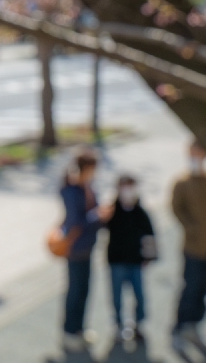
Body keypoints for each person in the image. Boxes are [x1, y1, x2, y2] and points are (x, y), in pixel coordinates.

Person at [171, 140, 206, 357]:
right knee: (190, 287)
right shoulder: (183, 183)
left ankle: (194, 326)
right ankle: (179, 328)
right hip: (193, 247)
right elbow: (177, 209)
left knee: (205, 288)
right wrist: (192, 228)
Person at [59, 148, 108, 353]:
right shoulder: (72, 190)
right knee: (75, 291)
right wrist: (99, 216)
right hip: (76, 248)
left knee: (84, 290)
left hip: (87, 247)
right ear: (86, 168)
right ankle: (69, 332)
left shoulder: (87, 187)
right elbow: (76, 222)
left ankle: (79, 329)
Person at [106, 175, 156, 343]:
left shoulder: (140, 213)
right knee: (116, 296)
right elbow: (101, 224)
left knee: (139, 295)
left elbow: (149, 234)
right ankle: (118, 325)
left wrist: (149, 256)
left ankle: (139, 325)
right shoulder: (113, 211)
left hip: (135, 261)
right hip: (117, 261)